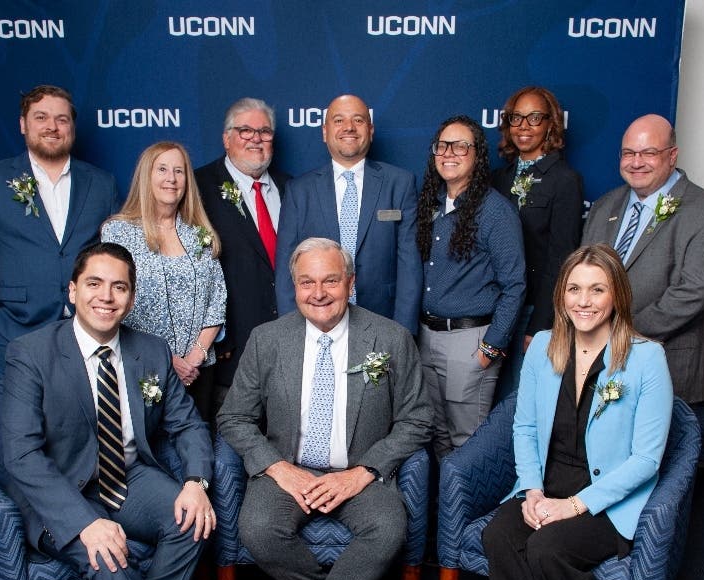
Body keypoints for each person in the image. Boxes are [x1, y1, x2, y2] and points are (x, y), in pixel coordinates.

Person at [1, 241, 234, 580]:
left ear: (130, 298)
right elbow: (21, 455)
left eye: (119, 287)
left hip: (129, 477)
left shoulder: (150, 350)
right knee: (109, 560)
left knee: (194, 521)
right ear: (72, 291)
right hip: (64, 494)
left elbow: (187, 424)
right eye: (94, 284)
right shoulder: (31, 353)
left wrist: (196, 483)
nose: (106, 297)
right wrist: (84, 523)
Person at [217, 238, 432, 580]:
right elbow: (233, 417)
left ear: (351, 283)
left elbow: (419, 418)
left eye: (331, 281)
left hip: (356, 472)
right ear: (294, 287)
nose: (318, 293)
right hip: (289, 469)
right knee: (257, 528)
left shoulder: (390, 338)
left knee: (389, 528)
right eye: (307, 282)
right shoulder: (266, 340)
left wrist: (363, 472)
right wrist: (279, 468)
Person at [481, 243, 673, 580]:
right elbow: (525, 427)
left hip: (606, 499)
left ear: (617, 295)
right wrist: (532, 491)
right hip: (546, 484)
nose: (583, 301)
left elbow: (647, 459)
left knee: (546, 549)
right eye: (574, 289)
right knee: (498, 536)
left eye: (597, 290)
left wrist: (573, 506)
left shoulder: (647, 358)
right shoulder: (543, 348)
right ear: (561, 295)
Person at [0, 85, 120, 383]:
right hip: (16, 331)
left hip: (88, 332)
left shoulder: (101, 184)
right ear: (23, 124)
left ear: (71, 127)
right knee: (20, 413)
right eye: (41, 117)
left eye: (61, 119)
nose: (52, 127)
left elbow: (116, 258)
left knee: (86, 413)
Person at [582, 114, 704, 403]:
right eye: (628, 153)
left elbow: (693, 292)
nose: (636, 162)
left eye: (648, 153)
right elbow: (582, 276)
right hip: (593, 361)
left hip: (663, 363)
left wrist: (618, 334)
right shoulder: (604, 206)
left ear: (672, 155)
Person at [415, 115, 525, 457]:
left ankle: (467, 498)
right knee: (436, 437)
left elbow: (515, 285)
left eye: (461, 146)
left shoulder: (495, 211)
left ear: (477, 155)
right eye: (443, 145)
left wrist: (490, 348)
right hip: (426, 337)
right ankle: (443, 496)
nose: (449, 153)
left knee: (468, 442)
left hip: (469, 341)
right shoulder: (431, 205)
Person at [274, 95, 421, 334]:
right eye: (339, 120)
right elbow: (285, 269)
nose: (349, 127)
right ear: (325, 132)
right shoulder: (299, 190)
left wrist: (403, 333)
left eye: (358, 120)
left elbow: (409, 266)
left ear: (370, 130)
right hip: (316, 325)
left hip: (382, 323)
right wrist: (292, 332)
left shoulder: (400, 183)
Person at [102, 142, 227, 420]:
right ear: (146, 176)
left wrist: (194, 358)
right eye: (162, 169)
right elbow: (115, 304)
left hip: (197, 371)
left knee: (197, 442)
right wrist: (169, 361)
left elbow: (217, 302)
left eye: (179, 171)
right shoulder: (118, 232)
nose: (171, 178)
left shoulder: (200, 234)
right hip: (144, 367)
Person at [195, 98, 290, 413]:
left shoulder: (292, 187)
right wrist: (218, 339)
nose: (256, 139)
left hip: (289, 346)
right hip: (230, 350)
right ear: (226, 138)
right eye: (245, 130)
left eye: (264, 131)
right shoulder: (198, 187)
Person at [491, 87, 584, 398]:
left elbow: (562, 259)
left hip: (532, 311)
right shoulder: (498, 179)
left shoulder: (564, 180)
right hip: (496, 308)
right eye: (516, 118)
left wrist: (540, 324)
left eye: (534, 118)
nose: (524, 126)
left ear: (550, 124)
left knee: (519, 397)